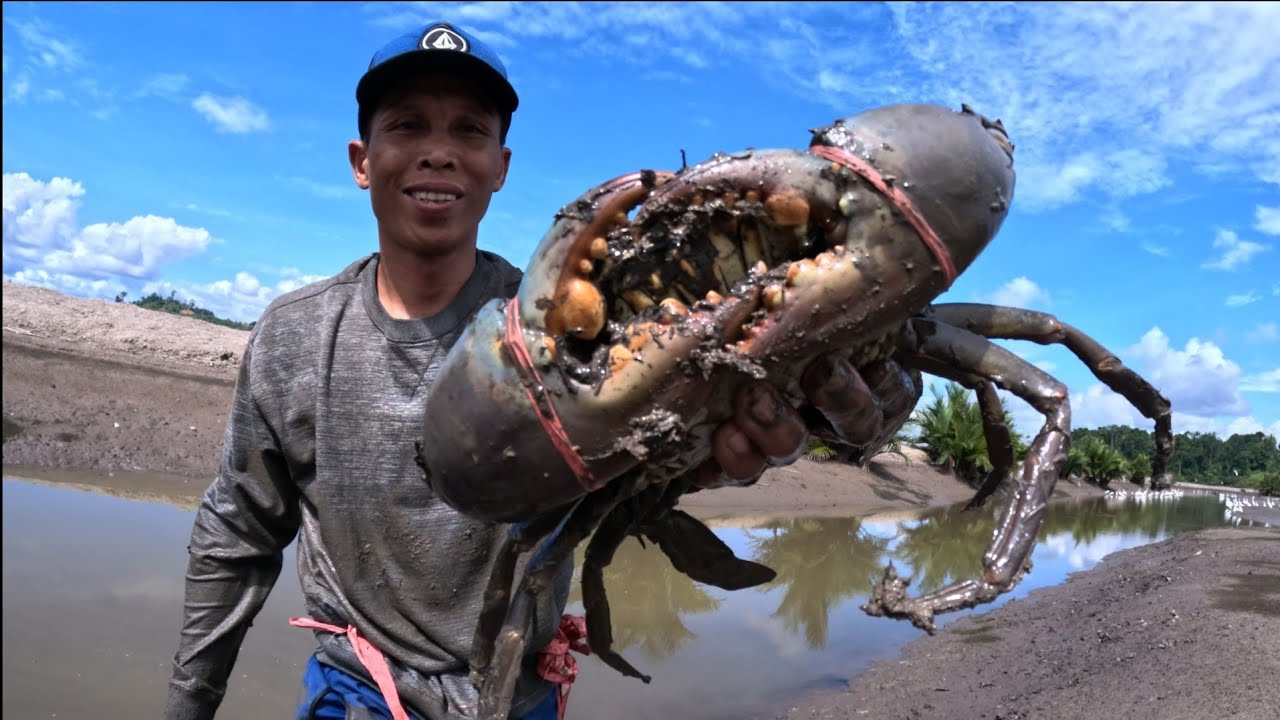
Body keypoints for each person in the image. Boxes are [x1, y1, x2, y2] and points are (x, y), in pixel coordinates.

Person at [163, 19, 921, 720]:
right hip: (356, 693)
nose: (439, 150)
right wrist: (188, 707)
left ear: (500, 167)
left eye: (470, 130)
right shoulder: (297, 336)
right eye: (407, 126)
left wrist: (818, 407)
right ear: (363, 162)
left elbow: (671, 449)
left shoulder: (573, 326)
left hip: (519, 695)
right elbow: (236, 534)